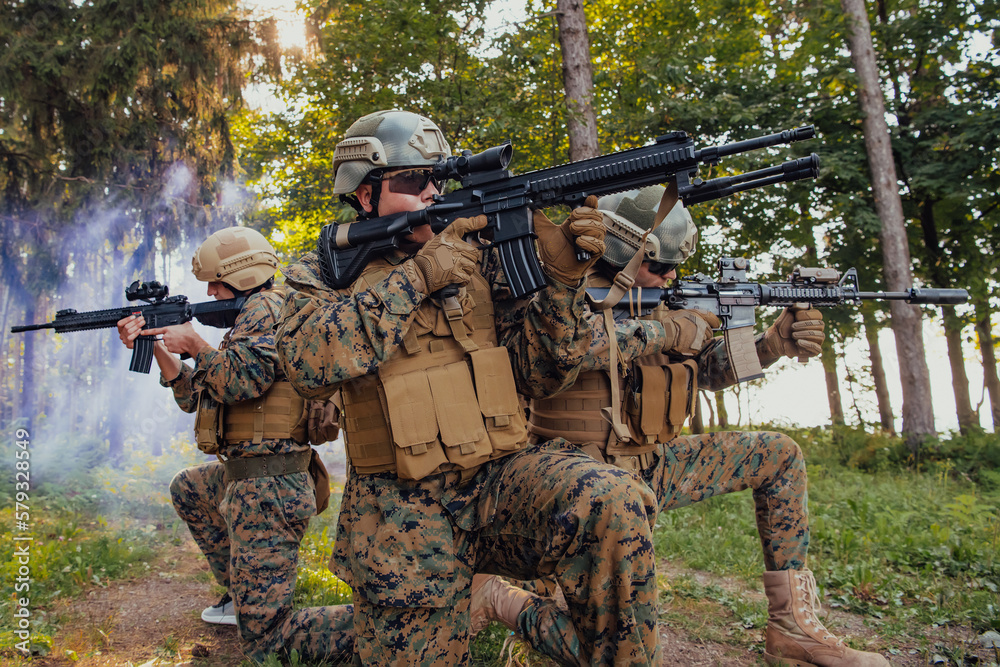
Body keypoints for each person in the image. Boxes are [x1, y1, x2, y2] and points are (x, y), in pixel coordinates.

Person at [275, 109, 661, 665]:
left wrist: (564, 284)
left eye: (439, 178)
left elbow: (545, 373)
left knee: (612, 498)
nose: (432, 192)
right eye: (412, 181)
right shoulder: (321, 273)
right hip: (400, 517)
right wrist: (421, 275)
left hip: (501, 482)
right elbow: (308, 364)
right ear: (364, 196)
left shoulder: (484, 261)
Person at [474, 185, 890, 666]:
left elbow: (705, 370)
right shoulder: (559, 291)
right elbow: (558, 357)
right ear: (623, 254)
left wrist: (773, 344)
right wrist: (668, 328)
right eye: (659, 265)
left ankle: (791, 626)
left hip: (654, 463)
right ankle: (505, 600)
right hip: (572, 474)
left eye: (676, 266)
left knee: (779, 454)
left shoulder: (663, 299)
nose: (671, 275)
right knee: (618, 647)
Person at [116, 227, 353, 663]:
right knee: (188, 487)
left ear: (243, 277)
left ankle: (396, 625)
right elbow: (196, 396)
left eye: (216, 283)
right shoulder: (247, 321)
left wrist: (194, 343)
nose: (208, 292)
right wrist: (159, 348)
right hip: (251, 479)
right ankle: (242, 595)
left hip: (269, 489)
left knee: (266, 642)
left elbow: (245, 380)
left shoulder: (269, 307)